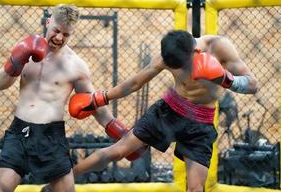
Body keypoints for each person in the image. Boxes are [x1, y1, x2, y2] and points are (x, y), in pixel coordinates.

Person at [68, 30, 258, 192]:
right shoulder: (169, 55)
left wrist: (227, 79)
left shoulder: (219, 47)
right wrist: (100, 98)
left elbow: (253, 85)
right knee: (118, 150)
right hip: (169, 111)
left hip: (201, 123)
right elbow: (135, 82)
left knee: (195, 187)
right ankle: (64, 180)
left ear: (197, 51)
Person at [0, 4, 145, 192]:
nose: (59, 38)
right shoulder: (26, 48)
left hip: (51, 136)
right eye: (56, 31)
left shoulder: (76, 66)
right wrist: (16, 61)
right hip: (19, 132)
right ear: (48, 22)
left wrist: (123, 135)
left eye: (65, 35)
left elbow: (95, 106)